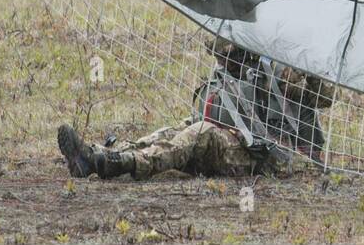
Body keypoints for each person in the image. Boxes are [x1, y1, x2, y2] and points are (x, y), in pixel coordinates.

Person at [57, 39, 334, 181]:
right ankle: (96, 157)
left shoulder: (284, 68)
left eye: (231, 58)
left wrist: (310, 67)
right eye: (222, 58)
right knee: (176, 130)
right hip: (234, 141)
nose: (224, 64)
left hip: (267, 160)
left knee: (199, 133)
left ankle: (123, 165)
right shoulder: (235, 68)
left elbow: (323, 97)